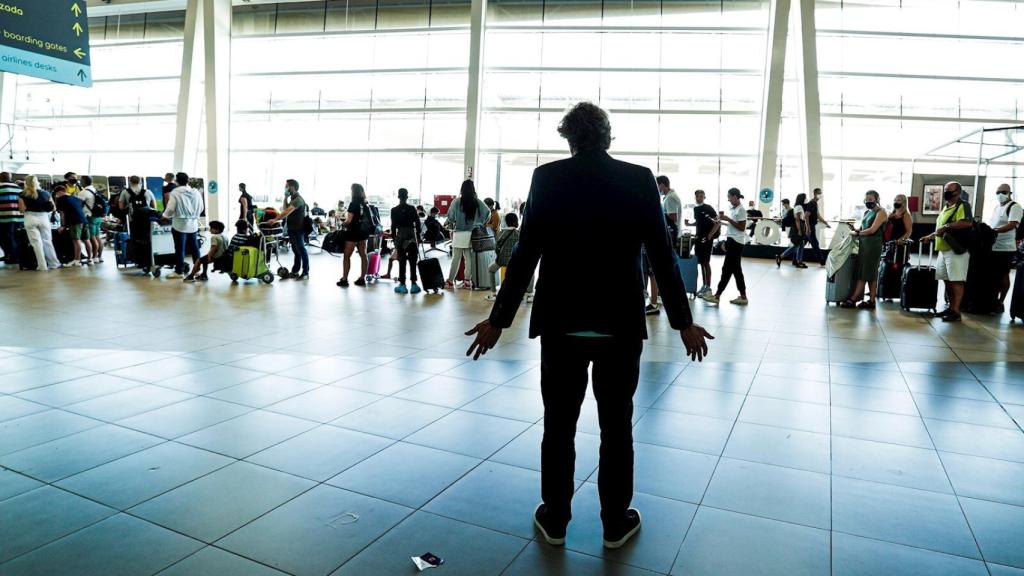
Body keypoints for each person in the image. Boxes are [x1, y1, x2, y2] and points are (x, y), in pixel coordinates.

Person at [464, 102, 713, 551]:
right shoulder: (638, 179)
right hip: (619, 325)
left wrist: (498, 321)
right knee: (617, 426)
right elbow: (662, 255)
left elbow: (526, 256)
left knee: (559, 425)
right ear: (608, 137)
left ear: (568, 138)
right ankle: (615, 523)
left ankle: (555, 519)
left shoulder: (548, 178)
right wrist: (684, 322)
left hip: (562, 325)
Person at [921, 181, 973, 322]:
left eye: (949, 190)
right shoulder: (946, 207)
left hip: (956, 250)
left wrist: (948, 225)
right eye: (945, 189)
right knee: (947, 280)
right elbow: (941, 228)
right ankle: (951, 307)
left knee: (956, 280)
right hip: (943, 249)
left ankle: (956, 311)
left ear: (958, 192)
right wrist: (930, 236)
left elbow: (967, 222)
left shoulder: (963, 205)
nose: (946, 192)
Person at [840, 191, 888, 310]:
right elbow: (863, 228)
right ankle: (871, 301)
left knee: (864, 272)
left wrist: (858, 233)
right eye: (866, 200)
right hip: (864, 244)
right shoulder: (867, 212)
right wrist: (856, 230)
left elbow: (872, 230)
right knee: (870, 273)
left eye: (871, 199)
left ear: (877, 199)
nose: (868, 202)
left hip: (873, 245)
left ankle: (854, 298)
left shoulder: (881, 212)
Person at [703, 188, 748, 305]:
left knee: (727, 270)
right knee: (735, 270)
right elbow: (733, 226)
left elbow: (742, 228)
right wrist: (722, 221)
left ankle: (717, 295)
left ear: (735, 196)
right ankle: (742, 296)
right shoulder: (733, 209)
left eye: (729, 197)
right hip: (732, 241)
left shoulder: (741, 210)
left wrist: (728, 219)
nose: (728, 200)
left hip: (737, 242)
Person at [445, 180, 490, 289]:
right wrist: (480, 223)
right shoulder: (478, 202)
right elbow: (488, 212)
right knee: (469, 258)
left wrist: (452, 222)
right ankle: (467, 281)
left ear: (462, 189)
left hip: (459, 234)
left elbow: (450, 217)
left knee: (456, 258)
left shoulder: (456, 202)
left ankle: (450, 281)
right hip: (472, 234)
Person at [161, 172, 204, 280]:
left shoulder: (175, 192)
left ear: (176, 181)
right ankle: (197, 270)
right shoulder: (195, 192)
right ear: (188, 181)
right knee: (195, 249)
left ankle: (179, 271)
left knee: (180, 249)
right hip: (193, 225)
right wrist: (194, 215)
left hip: (179, 225)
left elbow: (170, 208)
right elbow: (201, 207)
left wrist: (165, 216)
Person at [988, 183, 1022, 312]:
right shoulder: (997, 207)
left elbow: (1012, 224)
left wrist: (995, 231)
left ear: (1009, 193)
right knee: (994, 275)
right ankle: (992, 299)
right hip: (993, 246)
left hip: (1006, 248)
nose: (1000, 195)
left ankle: (1000, 302)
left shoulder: (1014, 207)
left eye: (1003, 192)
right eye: (998, 192)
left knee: (1003, 274)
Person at [268, 179, 309, 280]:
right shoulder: (293, 199)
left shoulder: (298, 199)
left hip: (298, 229)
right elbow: (285, 207)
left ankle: (305, 272)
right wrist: (286, 197)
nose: (285, 188)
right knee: (296, 251)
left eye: (286, 186)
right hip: (292, 228)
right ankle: (295, 271)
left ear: (292, 187)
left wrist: (275, 219)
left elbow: (286, 212)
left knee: (301, 250)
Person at [17, 176, 60, 271]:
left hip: (30, 218)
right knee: (47, 241)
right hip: (44, 218)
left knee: (36, 243)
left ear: (26, 183)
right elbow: (53, 208)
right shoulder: (46, 193)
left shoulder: (22, 194)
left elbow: (21, 210)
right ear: (37, 182)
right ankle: (54, 263)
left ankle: (42, 266)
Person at [337, 183, 373, 288]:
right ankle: (362, 279)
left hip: (352, 233)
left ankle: (344, 279)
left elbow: (349, 220)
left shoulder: (353, 204)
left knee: (347, 256)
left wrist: (342, 222)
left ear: (353, 191)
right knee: (363, 255)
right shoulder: (365, 204)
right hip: (363, 233)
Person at [684, 189, 719, 297]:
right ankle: (704, 286)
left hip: (706, 240)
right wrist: (689, 225)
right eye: (697, 196)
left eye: (701, 196)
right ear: (695, 197)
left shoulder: (708, 208)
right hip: (699, 239)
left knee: (706, 262)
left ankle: (708, 287)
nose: (699, 198)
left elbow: (717, 222)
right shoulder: (696, 209)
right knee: (701, 262)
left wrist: (710, 235)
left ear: (704, 197)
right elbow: (700, 222)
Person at [390, 188, 423, 294]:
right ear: (407, 196)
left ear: (398, 197)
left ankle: (402, 285)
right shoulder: (412, 208)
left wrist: (395, 240)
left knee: (402, 260)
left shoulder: (394, 210)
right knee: (413, 261)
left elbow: (393, 227)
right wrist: (418, 236)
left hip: (400, 235)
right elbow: (417, 224)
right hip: (411, 235)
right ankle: (414, 284)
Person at [486, 212, 521, 301]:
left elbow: (497, 247)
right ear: (515, 222)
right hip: (516, 261)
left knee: (491, 269)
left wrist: (499, 256)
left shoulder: (501, 233)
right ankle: (526, 294)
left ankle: (493, 293)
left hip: (502, 260)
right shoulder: (519, 233)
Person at [54, 183, 89, 267]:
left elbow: (62, 214)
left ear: (59, 192)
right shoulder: (76, 198)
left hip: (74, 221)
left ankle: (77, 260)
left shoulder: (61, 199)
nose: (57, 195)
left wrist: (63, 225)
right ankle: (90, 259)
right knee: (86, 239)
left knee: (76, 240)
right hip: (84, 220)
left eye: (57, 193)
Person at [77, 176, 105, 263]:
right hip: (98, 217)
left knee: (92, 238)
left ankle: (94, 257)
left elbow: (78, 205)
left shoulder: (83, 192)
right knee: (98, 237)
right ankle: (100, 257)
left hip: (90, 216)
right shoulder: (95, 190)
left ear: (84, 182)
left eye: (81, 181)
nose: (80, 182)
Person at [777, 193, 808, 268]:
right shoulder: (799, 207)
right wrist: (800, 230)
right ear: (802, 199)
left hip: (798, 226)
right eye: (805, 198)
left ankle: (798, 261)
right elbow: (797, 220)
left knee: (800, 245)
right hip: (798, 227)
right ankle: (781, 256)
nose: (806, 199)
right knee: (797, 245)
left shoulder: (797, 206)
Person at [0, 172, 23, 265]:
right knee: (15, 237)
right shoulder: (18, 188)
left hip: (3, 217)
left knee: (4, 237)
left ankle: (11, 256)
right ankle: (14, 255)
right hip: (19, 217)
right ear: (10, 177)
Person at [803, 188, 830, 265]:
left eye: (821, 193)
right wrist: (808, 228)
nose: (820, 195)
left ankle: (791, 258)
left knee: (801, 245)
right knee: (815, 244)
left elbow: (818, 215)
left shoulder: (815, 203)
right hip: (810, 227)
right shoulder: (812, 203)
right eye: (818, 193)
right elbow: (806, 216)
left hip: (810, 227)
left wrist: (826, 223)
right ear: (814, 194)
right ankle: (822, 261)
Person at [658, 176, 682, 247]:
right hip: (671, 231)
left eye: (657, 186)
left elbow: (673, 218)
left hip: (671, 232)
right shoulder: (670, 196)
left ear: (662, 185)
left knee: (668, 256)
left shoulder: (670, 197)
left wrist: (660, 216)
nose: (657, 189)